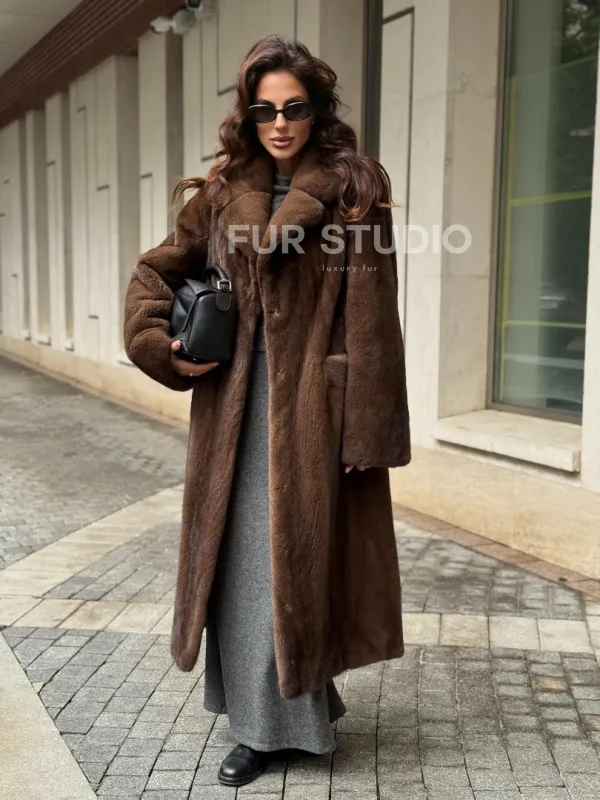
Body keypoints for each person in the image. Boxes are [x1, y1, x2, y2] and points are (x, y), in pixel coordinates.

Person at [123, 33, 411, 787]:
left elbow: (374, 319)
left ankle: (276, 724)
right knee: (246, 565)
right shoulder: (222, 194)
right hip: (233, 408)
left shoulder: (353, 192)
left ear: (318, 110)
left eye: (294, 108)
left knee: (293, 564)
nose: (279, 124)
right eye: (264, 110)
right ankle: (273, 717)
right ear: (247, 116)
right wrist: (157, 343)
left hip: (314, 411)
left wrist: (366, 428)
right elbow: (156, 271)